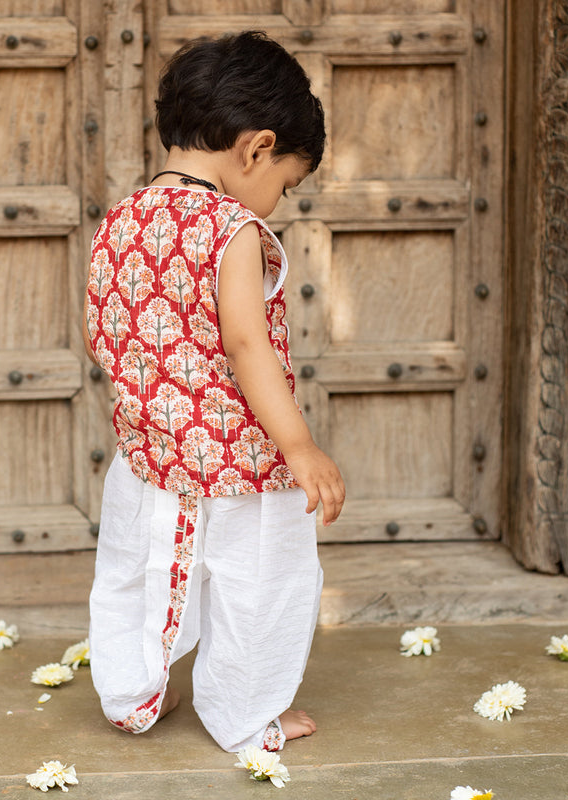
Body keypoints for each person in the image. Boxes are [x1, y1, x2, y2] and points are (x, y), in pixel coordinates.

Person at [83, 30, 346, 754]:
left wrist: (152, 399)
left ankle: (134, 694)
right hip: (240, 458)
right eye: (286, 184)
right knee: (261, 585)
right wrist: (298, 445)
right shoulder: (231, 228)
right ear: (257, 148)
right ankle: (245, 717)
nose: (279, 201)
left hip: (150, 449)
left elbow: (98, 327)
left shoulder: (122, 218)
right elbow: (245, 343)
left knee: (139, 571)